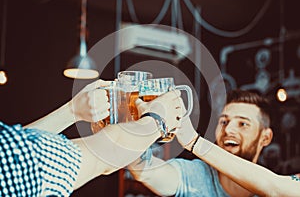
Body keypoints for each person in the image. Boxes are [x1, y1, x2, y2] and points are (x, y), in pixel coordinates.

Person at [0, 79, 183, 196]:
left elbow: (18, 143)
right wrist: (157, 120)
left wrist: (73, 111)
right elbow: (100, 156)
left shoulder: (10, 152)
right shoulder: (11, 165)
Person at [128, 90, 300, 197]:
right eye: (224, 122)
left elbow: (276, 188)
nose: (229, 130)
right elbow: (146, 172)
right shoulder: (196, 174)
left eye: (243, 124)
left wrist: (194, 142)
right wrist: (134, 126)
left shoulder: (277, 185)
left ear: (266, 138)